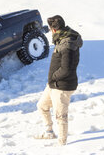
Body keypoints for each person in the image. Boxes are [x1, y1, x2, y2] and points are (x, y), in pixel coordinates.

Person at [35, 15, 83, 145]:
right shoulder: (62, 39)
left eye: (50, 29)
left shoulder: (67, 45)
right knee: (42, 106)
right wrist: (52, 81)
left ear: (54, 30)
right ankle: (49, 132)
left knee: (61, 116)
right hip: (54, 84)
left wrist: (53, 77)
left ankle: (62, 144)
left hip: (62, 86)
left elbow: (66, 69)